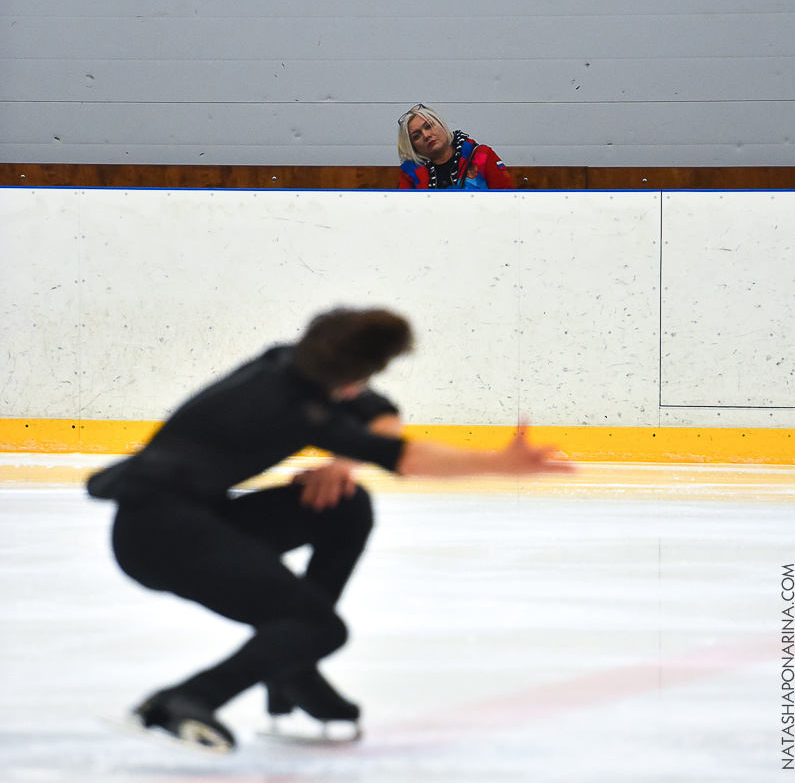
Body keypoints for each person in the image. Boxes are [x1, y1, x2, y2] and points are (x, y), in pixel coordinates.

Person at [87, 307, 573, 752]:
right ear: (356, 374)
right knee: (319, 627)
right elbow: (405, 456)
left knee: (345, 505)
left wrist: (343, 461)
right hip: (159, 539)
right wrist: (500, 463)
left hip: (188, 519)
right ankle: (182, 700)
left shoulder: (285, 363)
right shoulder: (296, 408)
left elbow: (378, 416)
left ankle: (290, 667)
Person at [397, 104, 515, 190]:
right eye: (417, 136)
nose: (426, 135)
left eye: (428, 126)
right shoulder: (410, 173)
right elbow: (403, 213)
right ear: (412, 147)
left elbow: (508, 199)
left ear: (441, 125)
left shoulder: (482, 156)